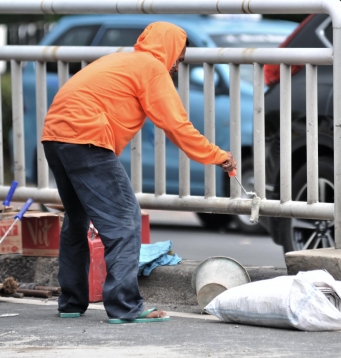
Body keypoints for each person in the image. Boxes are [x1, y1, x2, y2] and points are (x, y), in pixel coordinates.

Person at [41, 22, 236, 323]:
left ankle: (71, 302)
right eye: (178, 58)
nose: (176, 66)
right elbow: (176, 125)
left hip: (55, 135)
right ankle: (124, 306)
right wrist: (218, 156)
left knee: (77, 219)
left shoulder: (122, 60)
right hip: (86, 137)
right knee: (124, 220)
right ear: (169, 49)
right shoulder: (151, 69)